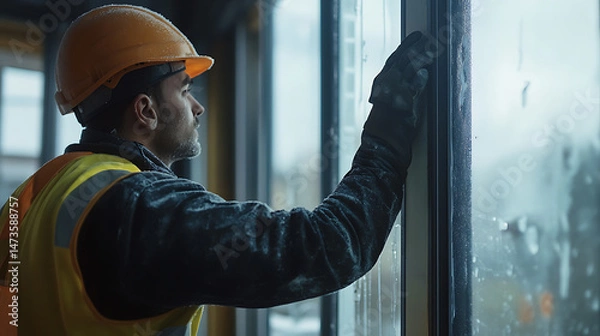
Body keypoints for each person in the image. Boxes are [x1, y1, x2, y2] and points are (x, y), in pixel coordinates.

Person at [0, 4, 433, 336]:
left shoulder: (32, 196)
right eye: (185, 91)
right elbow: (332, 246)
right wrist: (387, 133)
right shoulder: (140, 207)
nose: (197, 107)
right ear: (146, 111)